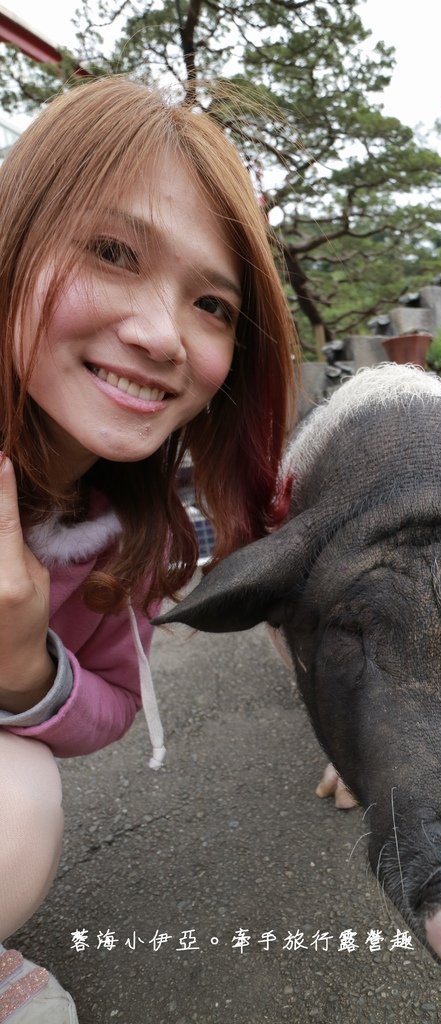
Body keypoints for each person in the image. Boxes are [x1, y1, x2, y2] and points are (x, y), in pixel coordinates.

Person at [0, 76, 297, 1022]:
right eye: (113, 251)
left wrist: (20, 664)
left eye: (212, 304)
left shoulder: (129, 530)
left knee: (18, 803)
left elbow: (116, 701)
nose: (161, 334)